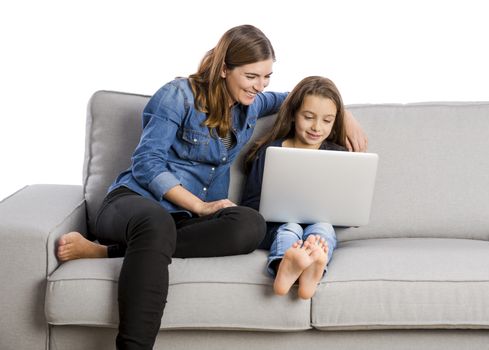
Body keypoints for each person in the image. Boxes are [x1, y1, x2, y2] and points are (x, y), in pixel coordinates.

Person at [57, 25, 368, 350]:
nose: (259, 87)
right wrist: (200, 206)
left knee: (251, 223)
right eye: (251, 77)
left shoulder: (252, 104)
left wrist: (344, 114)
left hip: (184, 222)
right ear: (223, 69)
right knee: (156, 223)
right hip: (136, 202)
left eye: (266, 78)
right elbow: (147, 164)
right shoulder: (178, 95)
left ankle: (107, 252)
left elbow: (300, 99)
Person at [241, 76, 347, 299]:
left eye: (327, 120)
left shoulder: (339, 156)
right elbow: (249, 204)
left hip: (318, 224)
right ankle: (286, 264)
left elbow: (347, 209)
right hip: (275, 227)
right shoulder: (270, 152)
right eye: (308, 117)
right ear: (292, 115)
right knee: (291, 227)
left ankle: (311, 266)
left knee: (323, 229)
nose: (317, 127)